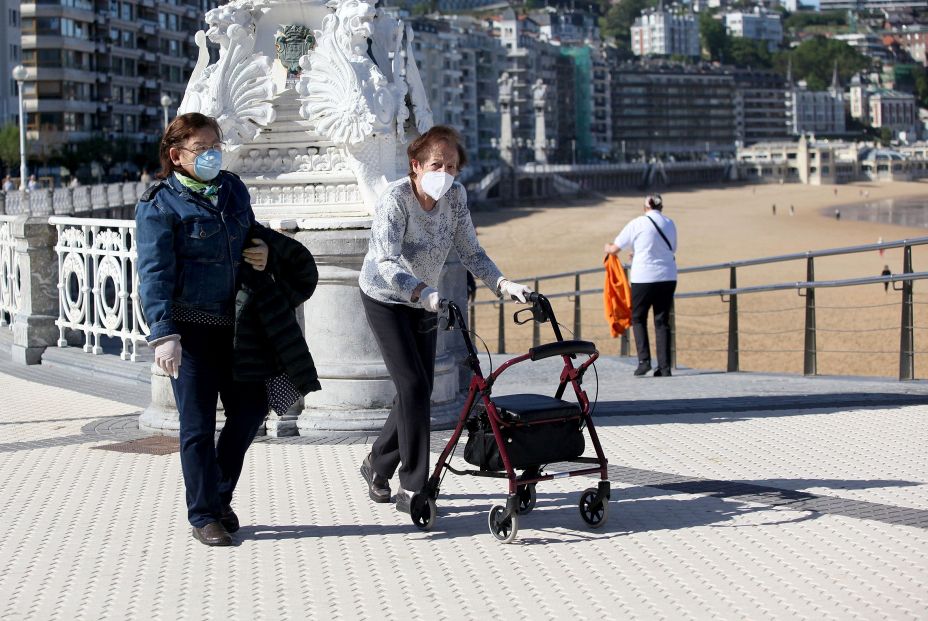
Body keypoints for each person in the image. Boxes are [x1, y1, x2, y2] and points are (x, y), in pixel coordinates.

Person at [135, 112, 319, 547]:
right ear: (177, 155)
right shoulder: (159, 204)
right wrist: (164, 333)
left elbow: (248, 233)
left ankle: (217, 494)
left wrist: (262, 252)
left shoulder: (232, 188)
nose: (213, 154)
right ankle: (204, 514)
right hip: (189, 331)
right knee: (197, 427)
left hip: (238, 326)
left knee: (251, 412)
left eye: (216, 145)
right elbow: (154, 273)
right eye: (203, 148)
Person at [358, 125, 532, 512]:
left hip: (426, 300)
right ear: (416, 165)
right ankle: (413, 486)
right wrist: (422, 291)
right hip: (386, 297)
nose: (445, 174)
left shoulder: (455, 197)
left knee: (416, 388)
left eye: (452, 166)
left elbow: (472, 252)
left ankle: (376, 463)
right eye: (437, 164)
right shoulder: (396, 199)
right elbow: (385, 260)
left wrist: (504, 284)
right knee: (414, 385)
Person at [604, 194, 677, 377]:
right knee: (662, 321)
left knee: (638, 318)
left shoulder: (637, 223)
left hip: (643, 277)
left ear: (645, 208)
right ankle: (665, 366)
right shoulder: (669, 223)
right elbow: (671, 249)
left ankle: (644, 362)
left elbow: (615, 248)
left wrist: (607, 248)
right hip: (668, 276)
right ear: (661, 207)